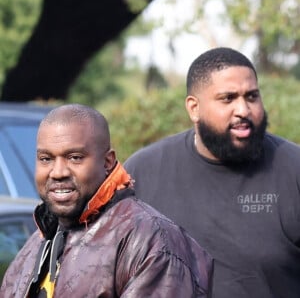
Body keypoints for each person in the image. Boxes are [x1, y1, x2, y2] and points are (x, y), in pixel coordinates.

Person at [124, 47, 300, 298]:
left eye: (251, 97)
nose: (243, 110)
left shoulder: (293, 170)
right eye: (228, 98)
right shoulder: (143, 171)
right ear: (194, 108)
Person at [0, 104, 213, 297]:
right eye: (46, 159)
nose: (58, 172)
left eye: (75, 157)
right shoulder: (36, 244)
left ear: (108, 162)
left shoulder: (152, 242)